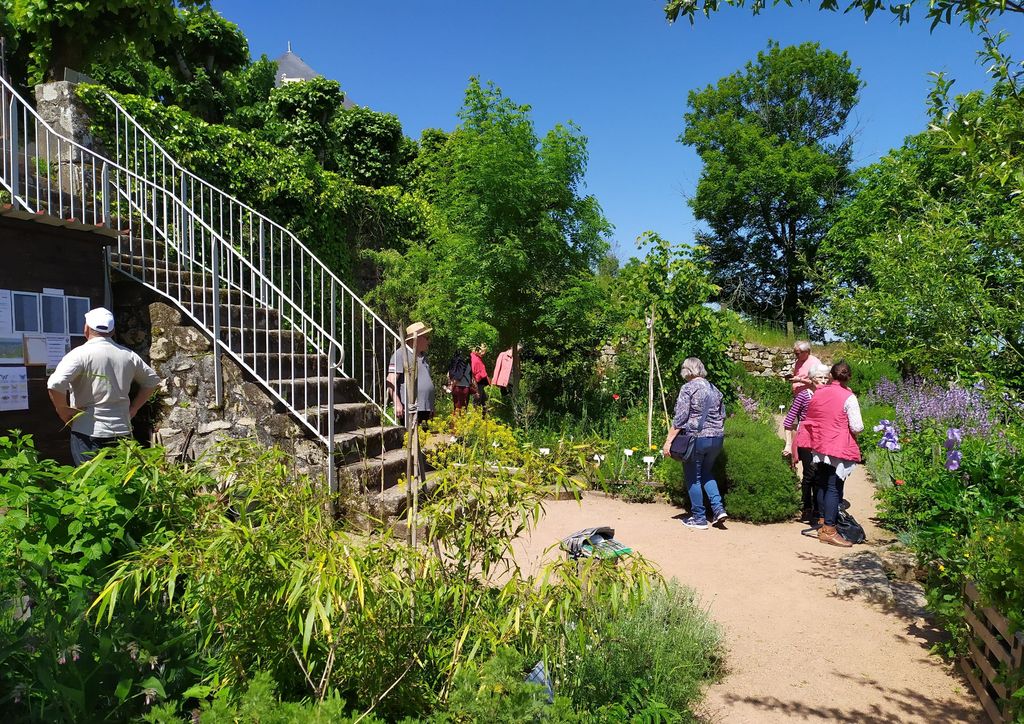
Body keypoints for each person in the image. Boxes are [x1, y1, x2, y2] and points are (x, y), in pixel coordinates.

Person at [47, 307, 161, 465]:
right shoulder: (128, 355)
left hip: (88, 431)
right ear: (113, 331)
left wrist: (63, 410)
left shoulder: (79, 354)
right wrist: (134, 408)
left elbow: (55, 383)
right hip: (122, 430)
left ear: (86, 328)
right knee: (121, 482)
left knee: (91, 483)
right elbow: (152, 381)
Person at [801, 360, 863, 547]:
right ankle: (829, 529)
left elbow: (812, 415)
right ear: (848, 376)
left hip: (819, 443)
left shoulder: (818, 393)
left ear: (830, 376)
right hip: (837, 445)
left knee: (821, 482)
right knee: (834, 486)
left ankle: (821, 519)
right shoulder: (848, 397)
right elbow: (857, 426)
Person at [662, 357, 727, 530]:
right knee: (707, 472)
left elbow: (680, 418)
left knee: (693, 477)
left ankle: (698, 517)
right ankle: (718, 509)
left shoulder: (688, 388)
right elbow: (723, 415)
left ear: (687, 371)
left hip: (697, 439)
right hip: (717, 438)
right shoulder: (715, 389)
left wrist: (668, 442)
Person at [782, 363, 832, 523]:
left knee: (821, 475)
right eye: (819, 377)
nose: (823, 381)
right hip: (807, 438)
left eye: (826, 377)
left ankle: (820, 510)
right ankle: (807, 508)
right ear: (811, 379)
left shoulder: (829, 395)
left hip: (823, 439)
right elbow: (789, 420)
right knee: (810, 474)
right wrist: (788, 444)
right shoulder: (804, 395)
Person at [386, 322, 435, 426]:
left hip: (425, 408)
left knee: (423, 438)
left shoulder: (423, 356)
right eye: (426, 338)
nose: (428, 341)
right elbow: (391, 380)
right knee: (411, 437)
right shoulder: (400, 355)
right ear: (415, 339)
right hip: (411, 407)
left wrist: (431, 406)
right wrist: (397, 403)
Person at [447, 349, 473, 415]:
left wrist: (450, 385)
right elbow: (470, 377)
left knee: (456, 408)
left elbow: (448, 375)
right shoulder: (466, 364)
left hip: (456, 387)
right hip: (465, 388)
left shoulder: (455, 363)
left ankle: (456, 423)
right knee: (463, 409)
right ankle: (461, 423)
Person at [470, 343, 490, 416]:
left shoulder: (477, 358)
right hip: (478, 382)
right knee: (478, 400)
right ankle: (476, 417)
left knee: (484, 399)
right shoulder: (474, 358)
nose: (483, 353)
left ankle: (483, 416)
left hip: (480, 382)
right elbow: (473, 372)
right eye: (482, 351)